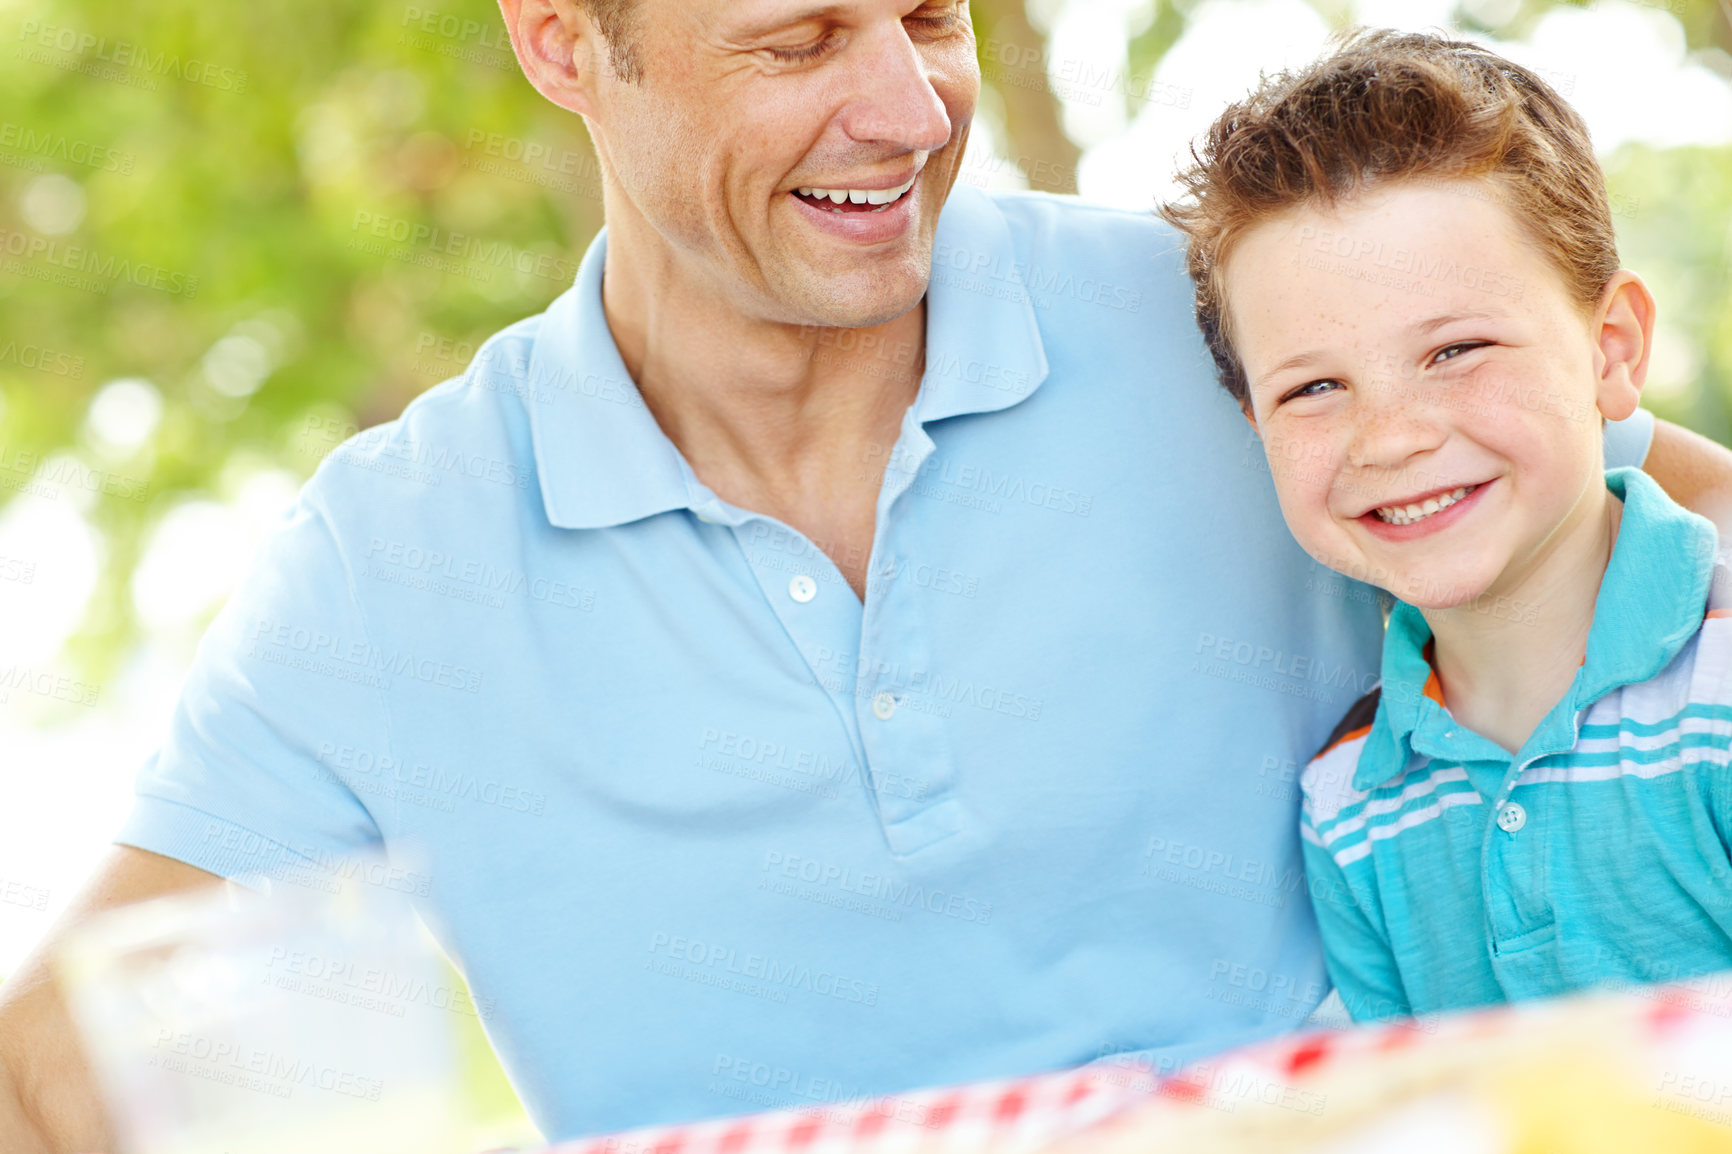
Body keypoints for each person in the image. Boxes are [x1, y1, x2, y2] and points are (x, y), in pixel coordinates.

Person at [3, 4, 1730, 1149]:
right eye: (802, 35)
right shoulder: (396, 558)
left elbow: (1637, 517)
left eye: (926, 13)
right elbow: (57, 1063)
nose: (905, 109)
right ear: (559, 39)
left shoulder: (1235, 340)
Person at [1159, 28, 1732, 1023]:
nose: (1390, 437)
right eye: (1314, 387)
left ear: (1609, 350)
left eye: (1455, 349)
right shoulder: (1347, 801)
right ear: (1254, 424)